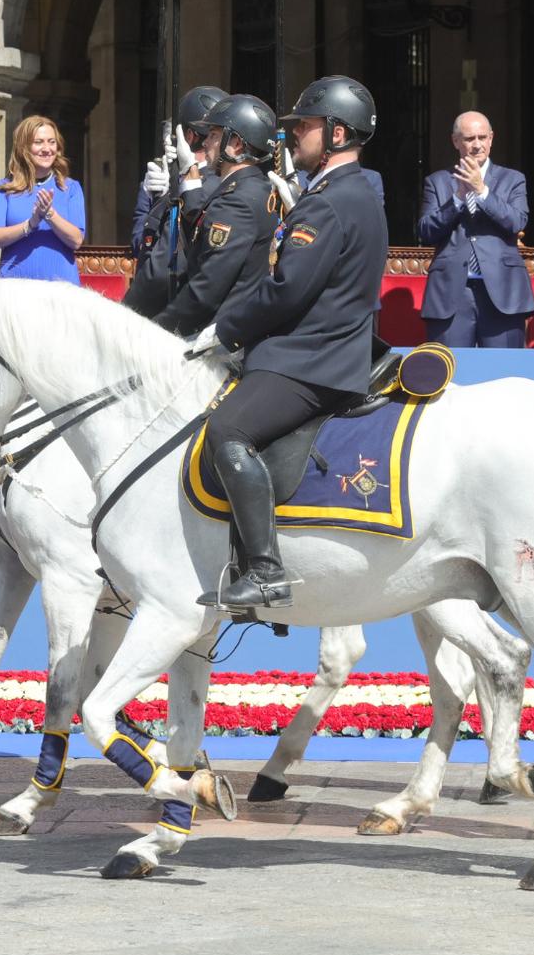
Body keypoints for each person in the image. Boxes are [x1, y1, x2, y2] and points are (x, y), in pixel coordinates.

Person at [196, 75, 388, 611]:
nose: (294, 134)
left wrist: (225, 329)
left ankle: (264, 570)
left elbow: (287, 289)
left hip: (311, 358)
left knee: (228, 430)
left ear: (337, 133)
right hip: (327, 349)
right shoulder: (349, 192)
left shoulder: (328, 203)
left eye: (305, 125)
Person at [151, 94, 279, 335]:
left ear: (236, 144)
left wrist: (156, 329)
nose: (205, 143)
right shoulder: (257, 188)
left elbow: (206, 289)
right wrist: (189, 174)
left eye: (213, 135)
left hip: (217, 335)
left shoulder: (237, 201)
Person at [416, 111, 533, 347]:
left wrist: (482, 192)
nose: (477, 145)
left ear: (491, 138)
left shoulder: (513, 179)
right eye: (469, 139)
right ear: (455, 141)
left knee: (504, 368)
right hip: (451, 293)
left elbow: (517, 222)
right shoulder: (437, 182)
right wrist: (458, 198)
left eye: (482, 137)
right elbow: (425, 231)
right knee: (451, 366)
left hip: (502, 291)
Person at [125, 84, 227, 317]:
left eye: (171, 137)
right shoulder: (164, 176)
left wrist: (128, 311)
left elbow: (170, 257)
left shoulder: (209, 184)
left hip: (174, 304)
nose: (167, 144)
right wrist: (155, 196)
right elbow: (140, 241)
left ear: (188, 136)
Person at [0, 116, 86, 282]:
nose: (47, 149)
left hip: (61, 286)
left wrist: (50, 214)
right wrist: (30, 224)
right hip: (15, 284)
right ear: (23, 147)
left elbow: (76, 240)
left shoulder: (70, 188)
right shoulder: (5, 188)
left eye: (51, 142)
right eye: (38, 142)